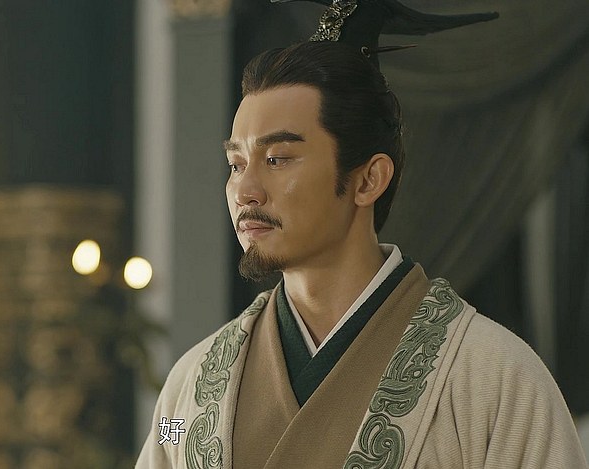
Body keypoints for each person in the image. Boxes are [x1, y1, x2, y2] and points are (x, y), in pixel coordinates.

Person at [136, 1, 589, 468]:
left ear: (369, 179)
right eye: (236, 164)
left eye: (277, 159)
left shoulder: (495, 380)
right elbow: (168, 442)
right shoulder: (189, 391)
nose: (245, 191)